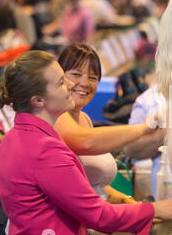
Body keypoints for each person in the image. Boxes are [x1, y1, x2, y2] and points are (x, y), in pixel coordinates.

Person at [0, 50, 172, 235]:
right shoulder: (45, 150)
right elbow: (98, 215)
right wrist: (154, 209)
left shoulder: (14, 138)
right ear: (38, 100)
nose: (71, 85)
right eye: (61, 82)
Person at [53, 44, 160, 204]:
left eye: (93, 78)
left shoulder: (84, 119)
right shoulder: (57, 116)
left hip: (96, 213)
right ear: (59, 78)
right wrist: (143, 128)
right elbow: (87, 141)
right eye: (75, 74)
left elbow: (94, 184)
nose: (84, 83)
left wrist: (126, 201)